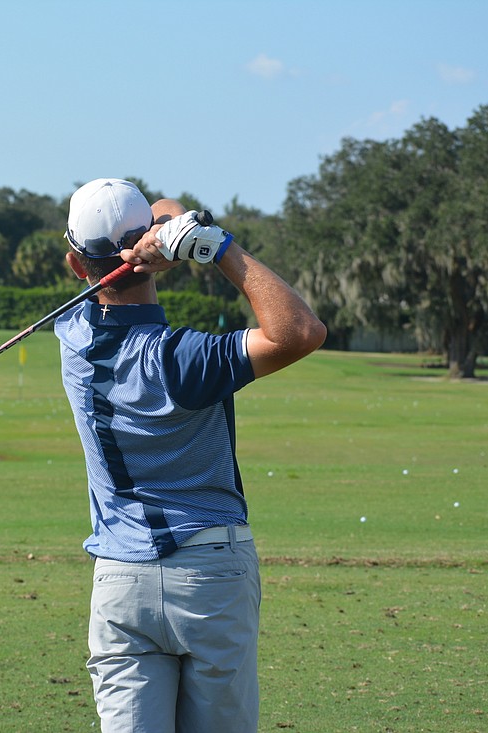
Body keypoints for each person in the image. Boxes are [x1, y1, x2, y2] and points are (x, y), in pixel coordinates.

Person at [54, 178, 327, 733]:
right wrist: (211, 244)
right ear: (151, 257)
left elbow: (152, 218)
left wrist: (155, 238)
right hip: (210, 577)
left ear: (76, 267)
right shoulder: (185, 360)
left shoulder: (72, 333)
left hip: (121, 583)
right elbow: (299, 331)